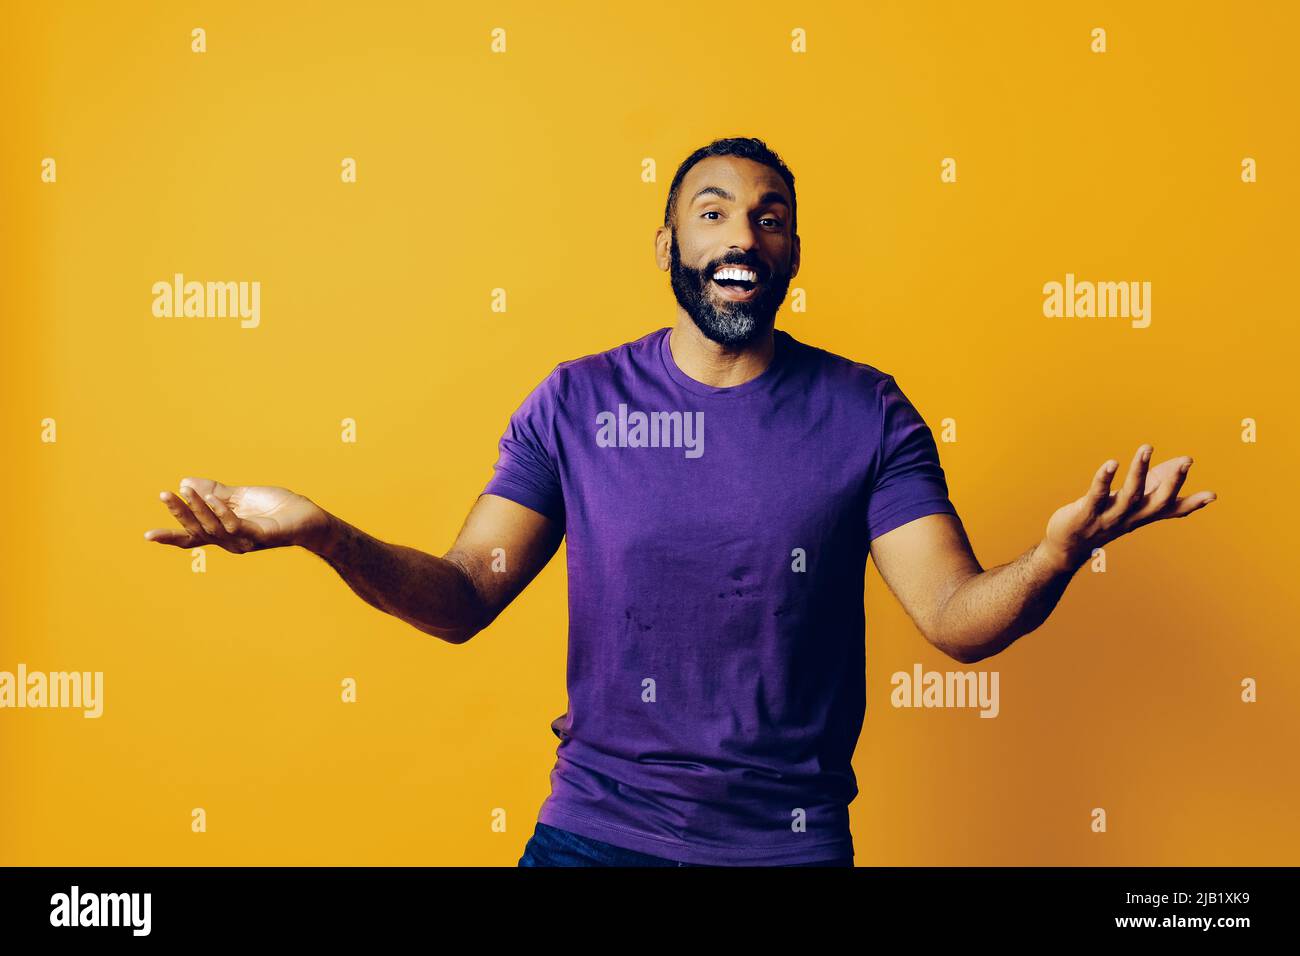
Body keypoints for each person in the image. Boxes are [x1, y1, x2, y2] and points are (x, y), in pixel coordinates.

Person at [144, 137, 1216, 867]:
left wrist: (1051, 560)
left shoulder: (866, 410)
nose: (741, 235)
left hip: (786, 845)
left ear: (791, 250)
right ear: (669, 249)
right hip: (595, 835)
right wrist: (326, 533)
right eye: (712, 213)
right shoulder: (575, 401)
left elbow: (953, 619)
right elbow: (467, 593)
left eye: (768, 216)